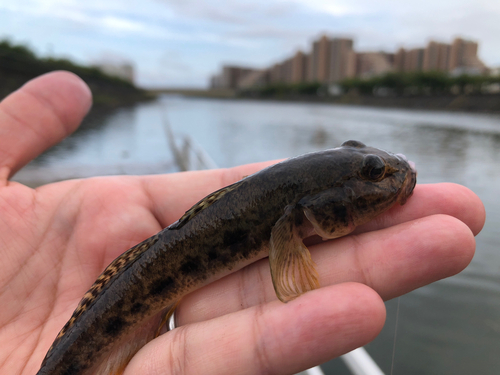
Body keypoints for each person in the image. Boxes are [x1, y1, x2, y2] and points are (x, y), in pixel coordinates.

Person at [0, 71, 485, 375]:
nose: (387, 176)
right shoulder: (293, 219)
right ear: (305, 212)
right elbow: (294, 281)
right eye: (373, 173)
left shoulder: (295, 215)